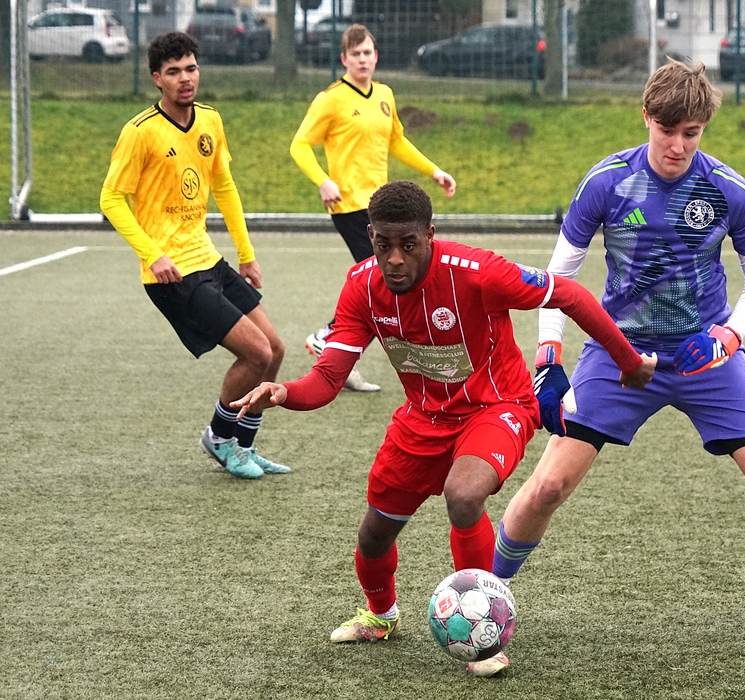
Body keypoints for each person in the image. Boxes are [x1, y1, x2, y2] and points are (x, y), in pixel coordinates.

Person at [490, 60, 745, 671]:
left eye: (690, 133)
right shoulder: (607, 182)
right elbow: (557, 277)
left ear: (703, 130)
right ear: (646, 117)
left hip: (706, 357)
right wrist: (548, 356)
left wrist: (728, 336)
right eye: (667, 130)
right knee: (549, 486)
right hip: (619, 353)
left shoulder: (728, 190)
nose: (677, 145)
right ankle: (488, 595)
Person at [231, 181, 656, 676]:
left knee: (464, 494)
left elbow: (570, 295)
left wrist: (629, 362)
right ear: (370, 237)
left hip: (497, 407)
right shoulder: (361, 287)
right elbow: (327, 379)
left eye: (408, 244)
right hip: (422, 418)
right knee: (374, 535)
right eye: (383, 244)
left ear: (429, 235)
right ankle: (381, 616)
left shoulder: (477, 272)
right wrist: (284, 392)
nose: (395, 258)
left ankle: (486, 634)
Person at [100, 31, 288, 480]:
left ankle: (243, 444)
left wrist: (246, 254)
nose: (185, 79)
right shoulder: (140, 132)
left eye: (191, 68)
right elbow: (110, 199)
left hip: (208, 258)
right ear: (157, 79)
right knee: (256, 353)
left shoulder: (210, 121)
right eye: (173, 72)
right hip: (172, 274)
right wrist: (153, 254)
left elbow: (224, 186)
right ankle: (219, 438)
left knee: (275, 350)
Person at [290, 23, 457, 392]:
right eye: (356, 54)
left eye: (367, 53)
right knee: (383, 281)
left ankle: (333, 344)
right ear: (344, 59)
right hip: (348, 204)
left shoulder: (384, 94)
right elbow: (299, 145)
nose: (362, 59)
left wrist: (434, 171)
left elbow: (396, 141)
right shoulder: (331, 99)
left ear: (376, 56)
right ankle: (335, 341)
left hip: (380, 208)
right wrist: (323, 180)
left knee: (381, 281)